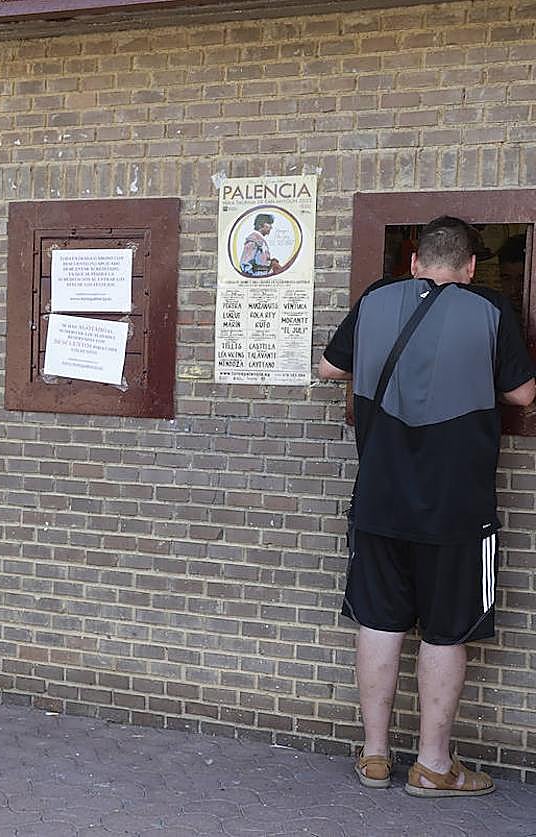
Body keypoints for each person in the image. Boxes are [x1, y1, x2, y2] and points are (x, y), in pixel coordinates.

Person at [319, 216, 536, 798]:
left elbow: (328, 367)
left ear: (414, 262)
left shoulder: (376, 299)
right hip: (457, 507)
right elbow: (523, 393)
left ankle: (374, 757)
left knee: (378, 621)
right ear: (468, 268)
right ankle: (434, 764)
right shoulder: (489, 310)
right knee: (446, 632)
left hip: (380, 497)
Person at [239, 212, 281, 276]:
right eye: (268, 223)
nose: (271, 227)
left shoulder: (260, 239)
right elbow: (245, 263)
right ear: (260, 225)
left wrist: (271, 263)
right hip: (257, 276)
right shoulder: (253, 240)